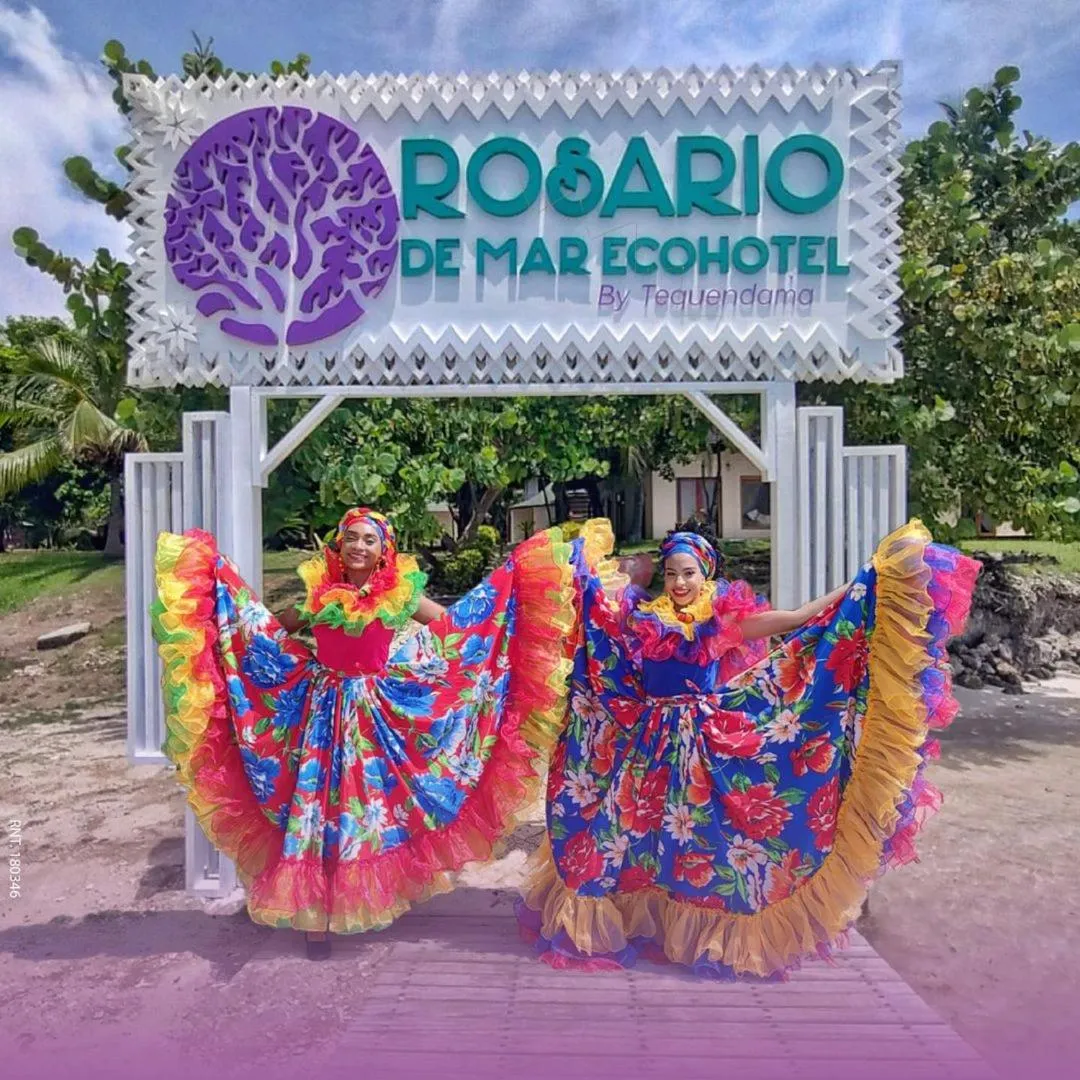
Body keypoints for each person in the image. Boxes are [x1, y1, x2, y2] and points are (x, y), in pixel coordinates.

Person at [517, 521, 980, 980]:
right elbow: (600, 634)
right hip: (645, 745)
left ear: (707, 574)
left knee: (701, 840)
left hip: (702, 744)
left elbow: (799, 619)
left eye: (689, 573)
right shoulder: (641, 619)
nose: (680, 583)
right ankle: (640, 919)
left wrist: (857, 586)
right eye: (673, 573)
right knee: (632, 835)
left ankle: (708, 936)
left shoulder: (721, 620)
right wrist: (577, 568)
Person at [153, 507, 586, 959]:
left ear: (384, 552)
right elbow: (267, 630)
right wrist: (231, 610)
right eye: (352, 538)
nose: (360, 546)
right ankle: (316, 917)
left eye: (370, 540)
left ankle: (358, 899)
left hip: (378, 716)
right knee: (319, 815)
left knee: (365, 814)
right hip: (322, 715)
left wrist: (506, 591)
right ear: (338, 546)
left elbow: (455, 628)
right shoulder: (318, 598)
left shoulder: (402, 596)